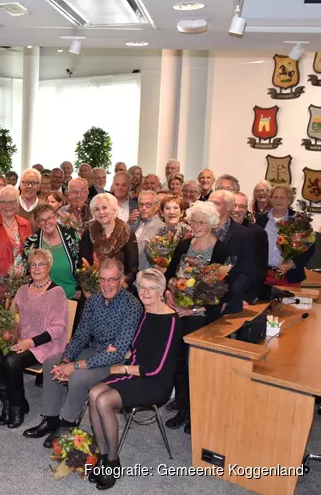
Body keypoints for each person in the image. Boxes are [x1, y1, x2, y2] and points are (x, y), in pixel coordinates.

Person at [23, 259, 142, 446]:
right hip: (94, 350)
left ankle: (67, 425)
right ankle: (51, 418)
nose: (106, 285)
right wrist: (66, 360)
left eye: (111, 279)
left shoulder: (132, 306)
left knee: (78, 377)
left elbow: (118, 353)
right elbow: (80, 335)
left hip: (117, 363)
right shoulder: (93, 300)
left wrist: (75, 366)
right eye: (102, 279)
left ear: (122, 280)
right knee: (50, 362)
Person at [87, 268, 182, 489]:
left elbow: (156, 367)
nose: (146, 292)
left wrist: (123, 368)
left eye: (152, 288)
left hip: (155, 382)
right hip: (135, 370)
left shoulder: (171, 321)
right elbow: (138, 347)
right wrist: (122, 352)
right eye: (142, 287)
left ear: (161, 291)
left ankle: (112, 461)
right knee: (92, 393)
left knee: (103, 400)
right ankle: (102, 456)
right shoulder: (145, 312)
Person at [164, 201, 230, 434]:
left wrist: (193, 310)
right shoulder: (183, 245)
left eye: (202, 222)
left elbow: (223, 291)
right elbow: (170, 275)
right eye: (194, 221)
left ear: (211, 223)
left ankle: (197, 413)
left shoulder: (221, 249)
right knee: (179, 365)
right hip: (178, 314)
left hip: (202, 317)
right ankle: (182, 408)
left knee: (198, 367)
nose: (197, 226)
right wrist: (168, 292)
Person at [0, 248, 68, 428]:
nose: (37, 268)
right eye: (33, 265)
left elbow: (58, 328)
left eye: (41, 265)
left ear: (49, 267)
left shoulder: (57, 293)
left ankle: (18, 406)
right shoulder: (23, 290)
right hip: (21, 340)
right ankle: (7, 403)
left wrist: (31, 342)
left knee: (11, 361)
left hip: (45, 344)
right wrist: (7, 332)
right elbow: (12, 317)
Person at [255, 183, 315, 286]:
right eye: (275, 197)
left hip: (290, 276)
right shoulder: (261, 220)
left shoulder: (299, 220)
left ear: (289, 200)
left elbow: (310, 247)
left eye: (282, 197)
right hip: (264, 275)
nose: (278, 200)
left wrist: (292, 264)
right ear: (271, 199)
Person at [79, 193, 139, 290]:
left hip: (120, 288)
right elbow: (82, 264)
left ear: (113, 209)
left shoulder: (127, 233)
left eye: (104, 207)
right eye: (97, 209)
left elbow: (133, 268)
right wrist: (88, 287)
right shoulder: (88, 233)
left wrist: (124, 283)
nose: (101, 212)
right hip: (94, 289)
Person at [208, 190, 255, 311]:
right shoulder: (202, 230)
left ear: (229, 207)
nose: (210, 208)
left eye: (216, 204)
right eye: (209, 203)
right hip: (200, 299)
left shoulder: (245, 235)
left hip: (228, 304)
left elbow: (246, 273)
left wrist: (226, 297)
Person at [24, 204, 80, 300]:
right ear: (37, 224)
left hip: (71, 295)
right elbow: (28, 271)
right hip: (43, 297)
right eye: (42, 220)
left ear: (55, 218)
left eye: (50, 218)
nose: (47, 222)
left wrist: (78, 288)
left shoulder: (70, 235)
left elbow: (81, 262)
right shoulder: (31, 242)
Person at [232, 191, 269, 299]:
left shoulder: (258, 233)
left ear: (246, 209)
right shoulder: (218, 230)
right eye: (234, 205)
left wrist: (249, 297)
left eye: (242, 206)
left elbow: (260, 270)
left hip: (245, 295)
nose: (237, 210)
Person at [130, 190, 165, 271]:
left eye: (148, 205)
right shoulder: (136, 222)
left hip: (147, 275)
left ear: (157, 206)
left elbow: (159, 259)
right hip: (131, 273)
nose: (144, 208)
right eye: (141, 204)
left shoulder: (161, 227)